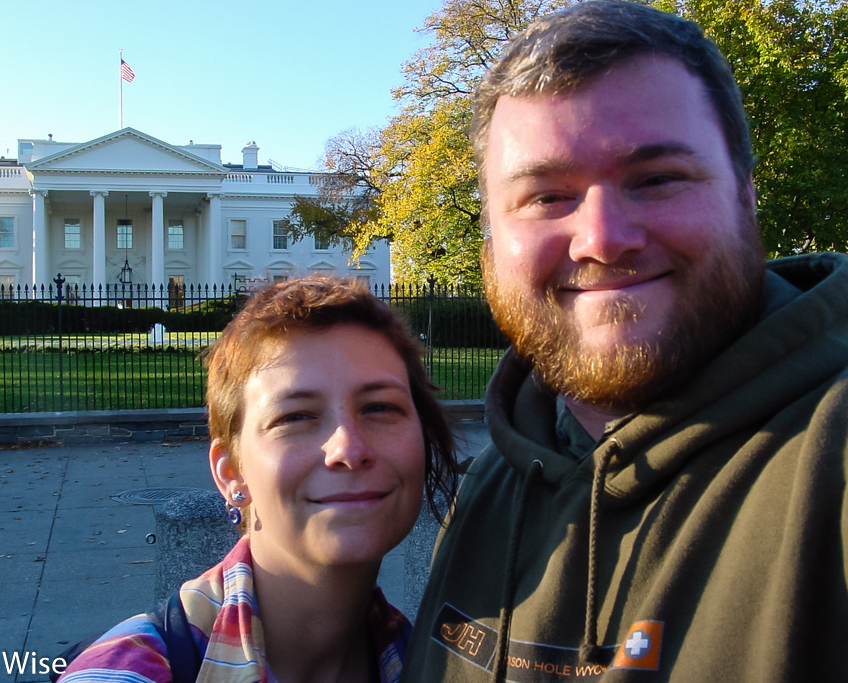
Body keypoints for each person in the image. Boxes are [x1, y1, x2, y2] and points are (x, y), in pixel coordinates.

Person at [401, 1, 848, 681]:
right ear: (491, 237)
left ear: (746, 196)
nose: (603, 239)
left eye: (658, 179)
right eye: (547, 197)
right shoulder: (492, 487)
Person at [59, 276, 458, 683]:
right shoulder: (127, 671)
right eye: (295, 417)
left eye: (379, 408)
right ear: (232, 472)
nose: (349, 449)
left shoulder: (448, 664)